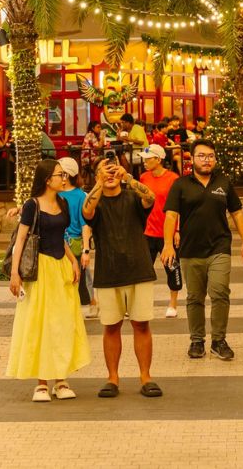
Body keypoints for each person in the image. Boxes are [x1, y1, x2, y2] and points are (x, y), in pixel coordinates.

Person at [5, 159, 90, 402]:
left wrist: (73, 260)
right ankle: (42, 382)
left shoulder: (62, 202)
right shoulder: (32, 205)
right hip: (40, 269)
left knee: (62, 323)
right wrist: (15, 273)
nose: (64, 178)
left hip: (61, 267)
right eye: (59, 174)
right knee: (40, 323)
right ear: (46, 179)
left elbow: (59, 236)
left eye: (63, 174)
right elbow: (22, 239)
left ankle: (61, 379)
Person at [161, 139, 243, 361]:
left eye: (210, 156)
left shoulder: (223, 182)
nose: (206, 160)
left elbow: (237, 212)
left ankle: (218, 341)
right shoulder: (181, 184)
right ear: (192, 159)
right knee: (194, 297)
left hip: (219, 247)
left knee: (220, 292)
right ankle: (197, 340)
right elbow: (171, 215)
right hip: (190, 250)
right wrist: (168, 244)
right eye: (201, 156)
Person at [82, 157, 162, 398]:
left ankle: (146, 377)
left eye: (113, 169)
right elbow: (86, 211)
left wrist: (127, 177)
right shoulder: (95, 201)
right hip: (108, 272)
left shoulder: (132, 197)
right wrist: (99, 182)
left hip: (139, 269)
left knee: (142, 324)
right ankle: (112, 378)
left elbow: (150, 198)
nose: (110, 174)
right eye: (104, 170)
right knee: (111, 326)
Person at [138, 144, 183, 317]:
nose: (144, 162)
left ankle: (173, 304)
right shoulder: (143, 177)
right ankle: (139, 303)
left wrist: (177, 230)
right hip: (147, 232)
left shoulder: (173, 178)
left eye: (148, 159)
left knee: (172, 268)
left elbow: (179, 206)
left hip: (167, 233)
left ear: (158, 159)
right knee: (142, 270)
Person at [55, 157, 96, 317]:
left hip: (74, 242)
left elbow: (85, 224)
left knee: (80, 276)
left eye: (60, 172)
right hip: (57, 241)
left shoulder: (80, 196)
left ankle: (91, 302)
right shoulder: (55, 193)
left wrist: (86, 249)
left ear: (66, 175)